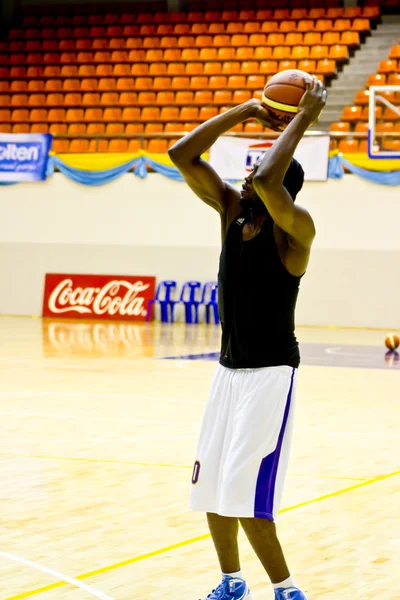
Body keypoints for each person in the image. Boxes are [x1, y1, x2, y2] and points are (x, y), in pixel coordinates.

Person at [168, 78, 327, 600]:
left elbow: (273, 178)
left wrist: (303, 116)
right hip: (227, 372)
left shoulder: (295, 230)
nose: (249, 174)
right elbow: (181, 153)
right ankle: (232, 583)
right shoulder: (232, 214)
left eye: (258, 171)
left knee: (246, 497)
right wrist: (246, 111)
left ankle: (286, 590)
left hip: (268, 377)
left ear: (280, 185)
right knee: (211, 488)